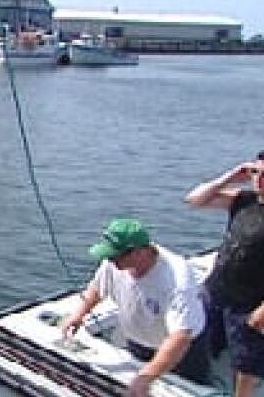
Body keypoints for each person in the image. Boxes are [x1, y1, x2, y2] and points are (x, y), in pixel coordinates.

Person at [61, 218, 209, 397]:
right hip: (138, 343)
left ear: (139, 253)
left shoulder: (178, 280)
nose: (110, 260)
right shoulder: (114, 263)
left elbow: (180, 337)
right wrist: (79, 314)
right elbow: (98, 287)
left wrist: (146, 377)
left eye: (115, 256)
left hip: (181, 354)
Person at [184, 151, 264, 397]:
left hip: (249, 303)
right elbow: (193, 200)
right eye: (255, 172)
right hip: (216, 291)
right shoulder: (243, 200)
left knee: (247, 363)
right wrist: (229, 177)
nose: (259, 179)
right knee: (201, 337)